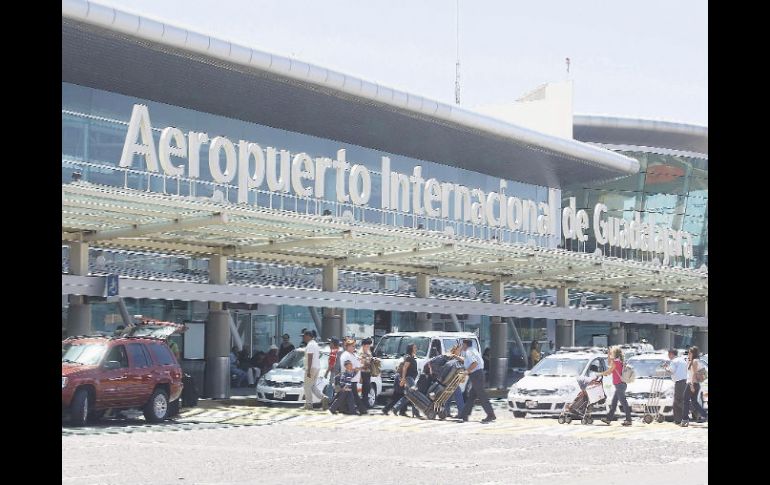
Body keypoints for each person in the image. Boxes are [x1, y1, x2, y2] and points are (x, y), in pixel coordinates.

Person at [454, 339, 496, 423]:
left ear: (465, 345)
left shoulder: (469, 352)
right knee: (472, 396)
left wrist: (466, 371)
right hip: (477, 375)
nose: (462, 347)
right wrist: (456, 357)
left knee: (482, 395)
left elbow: (475, 363)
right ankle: (464, 415)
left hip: (476, 375)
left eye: (463, 345)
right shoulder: (472, 350)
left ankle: (491, 414)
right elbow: (467, 361)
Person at [599, 345, 632, 426]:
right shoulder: (620, 361)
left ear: (615, 354)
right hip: (621, 385)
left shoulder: (616, 362)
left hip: (620, 385)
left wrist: (600, 374)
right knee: (614, 403)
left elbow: (609, 371)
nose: (611, 354)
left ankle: (629, 420)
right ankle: (608, 419)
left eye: (612, 353)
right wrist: (609, 353)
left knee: (624, 403)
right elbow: (609, 362)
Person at [391, 343, 421, 417]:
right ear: (411, 349)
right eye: (414, 347)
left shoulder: (412, 357)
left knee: (408, 396)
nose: (416, 349)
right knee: (414, 394)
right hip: (409, 378)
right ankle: (416, 413)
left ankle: (395, 408)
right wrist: (403, 379)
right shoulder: (409, 358)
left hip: (411, 378)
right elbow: (405, 368)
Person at [681, 346, 708, 427]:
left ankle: (685, 419)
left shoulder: (695, 361)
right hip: (694, 384)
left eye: (690, 353)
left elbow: (694, 374)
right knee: (694, 402)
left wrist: (692, 385)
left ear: (693, 353)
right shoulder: (693, 361)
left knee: (685, 400)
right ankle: (705, 415)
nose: (688, 354)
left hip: (692, 383)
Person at [302, 330, 329, 410]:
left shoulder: (310, 344)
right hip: (317, 367)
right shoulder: (315, 344)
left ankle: (309, 404)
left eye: (304, 336)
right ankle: (323, 397)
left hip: (312, 367)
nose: (303, 338)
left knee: (307, 386)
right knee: (312, 386)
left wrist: (309, 370)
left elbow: (310, 357)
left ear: (308, 336)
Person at [339, 339, 365, 414]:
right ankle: (360, 410)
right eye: (352, 346)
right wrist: (356, 369)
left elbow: (359, 365)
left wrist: (360, 376)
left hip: (354, 378)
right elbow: (347, 367)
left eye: (354, 346)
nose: (354, 347)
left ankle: (341, 409)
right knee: (353, 396)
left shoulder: (354, 354)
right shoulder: (346, 355)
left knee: (345, 396)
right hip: (349, 378)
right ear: (348, 346)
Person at [664, 348, 688, 425]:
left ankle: (691, 410)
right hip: (684, 381)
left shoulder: (674, 361)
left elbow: (671, 371)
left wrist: (665, 367)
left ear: (671, 354)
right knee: (678, 400)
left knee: (678, 400)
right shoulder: (682, 360)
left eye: (668, 354)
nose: (668, 356)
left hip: (679, 382)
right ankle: (678, 419)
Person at [358, 338, 374, 409]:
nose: (368, 347)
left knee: (366, 389)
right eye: (367, 346)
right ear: (363, 345)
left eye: (369, 346)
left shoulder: (368, 352)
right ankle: (363, 404)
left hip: (368, 372)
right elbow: (361, 364)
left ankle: (364, 404)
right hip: (362, 373)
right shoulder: (361, 353)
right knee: (364, 389)